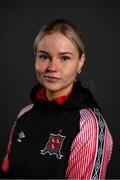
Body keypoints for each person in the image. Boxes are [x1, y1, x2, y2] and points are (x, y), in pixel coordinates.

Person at [0, 18, 113, 179]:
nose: (52, 67)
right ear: (35, 57)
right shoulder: (24, 114)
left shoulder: (89, 126)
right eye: (44, 57)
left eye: (65, 58)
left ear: (80, 61)